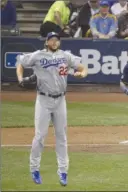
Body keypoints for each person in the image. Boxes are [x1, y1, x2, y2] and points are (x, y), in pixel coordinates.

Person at [16, 32, 88, 186]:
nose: (55, 42)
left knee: (62, 136)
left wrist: (82, 73)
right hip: (43, 99)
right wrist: (20, 79)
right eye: (52, 40)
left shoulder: (65, 56)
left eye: (57, 40)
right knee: (40, 136)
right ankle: (34, 169)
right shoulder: (38, 55)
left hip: (61, 100)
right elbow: (20, 62)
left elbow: (82, 67)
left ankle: (63, 171)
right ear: (47, 42)